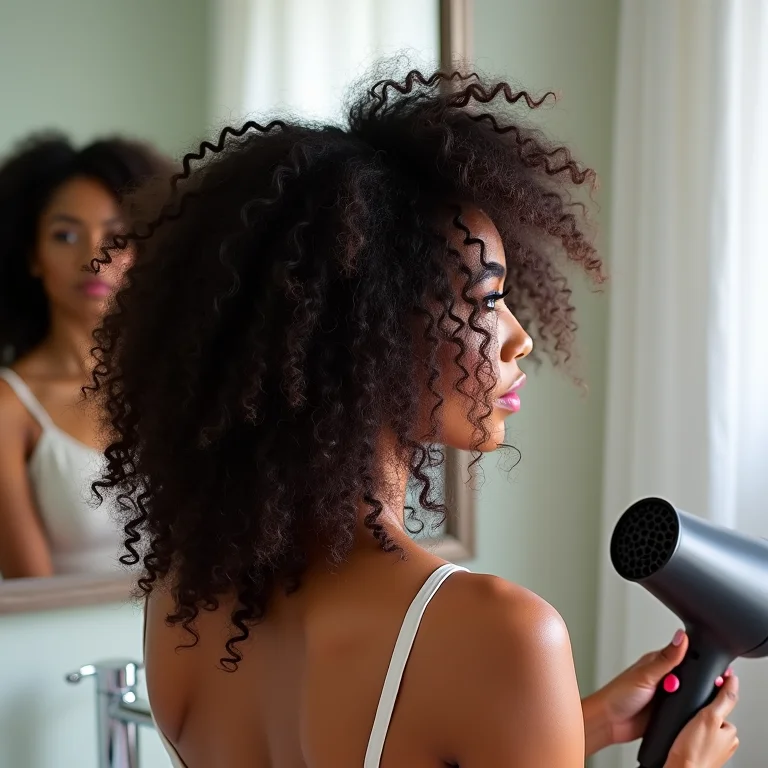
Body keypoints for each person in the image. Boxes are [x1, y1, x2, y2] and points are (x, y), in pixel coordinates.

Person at [91, 69, 739, 767]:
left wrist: (574, 726)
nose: (520, 338)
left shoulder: (187, 602)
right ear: (374, 333)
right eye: (487, 302)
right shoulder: (498, 636)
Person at [0, 133, 172, 578]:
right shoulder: (8, 407)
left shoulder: (179, 386)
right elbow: (33, 599)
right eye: (65, 234)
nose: (94, 256)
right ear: (32, 255)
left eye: (117, 235)